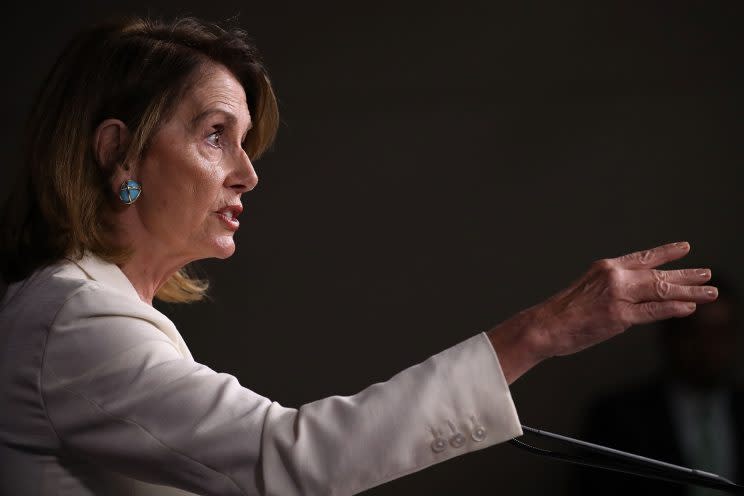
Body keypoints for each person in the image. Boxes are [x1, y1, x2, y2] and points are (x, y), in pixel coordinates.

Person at [0, 16, 719, 496]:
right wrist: (538, 333)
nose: (248, 173)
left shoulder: (98, 311)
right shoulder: (76, 318)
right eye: (215, 134)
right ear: (115, 149)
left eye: (247, 143)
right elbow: (290, 459)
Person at [574, 278, 742, 496]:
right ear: (669, 336)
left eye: (721, 334)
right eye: (695, 333)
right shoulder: (617, 416)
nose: (709, 348)